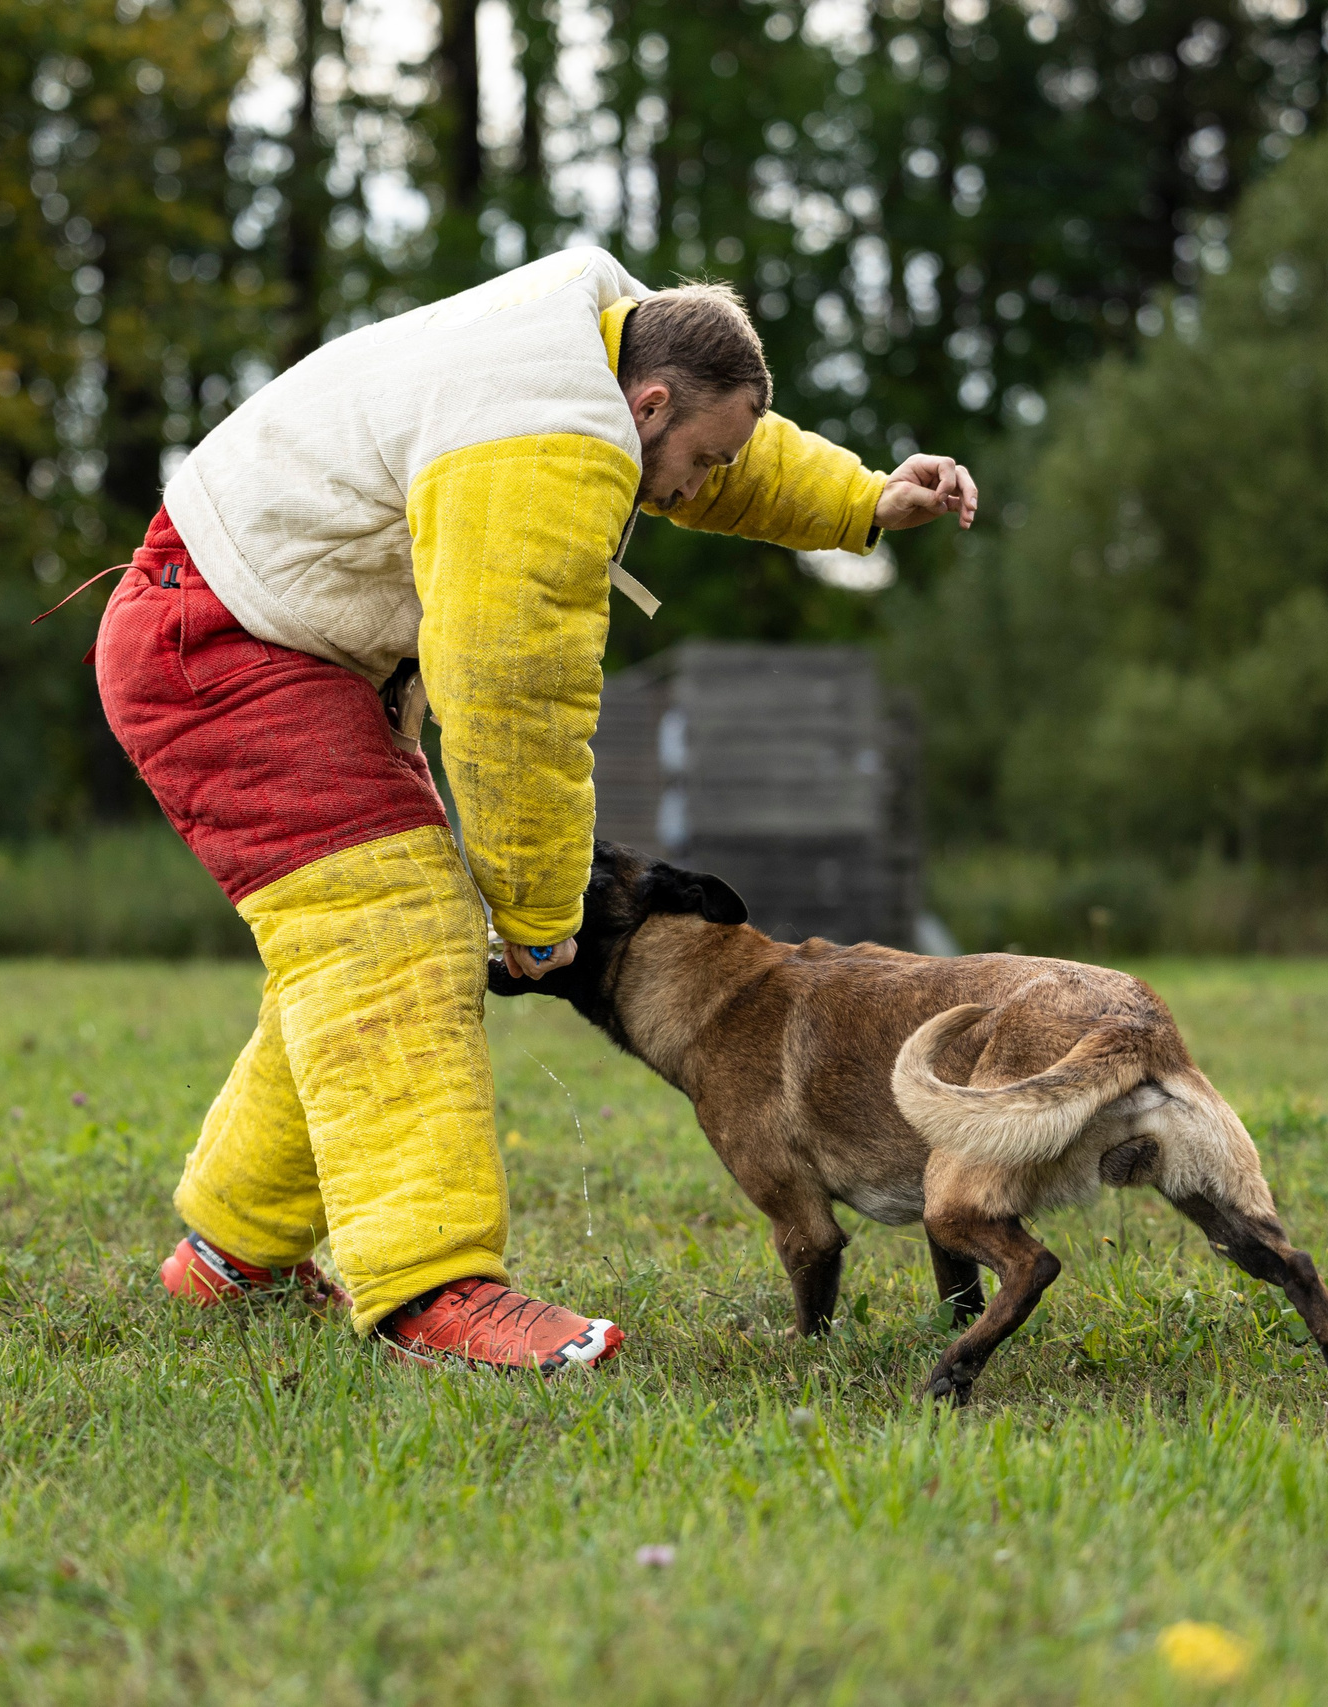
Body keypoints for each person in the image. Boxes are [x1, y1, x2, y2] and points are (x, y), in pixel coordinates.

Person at [93, 248, 976, 1373]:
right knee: (390, 928)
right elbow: (513, 696)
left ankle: (233, 1258)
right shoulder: (546, 445)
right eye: (699, 461)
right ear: (645, 406)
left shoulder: (599, 347)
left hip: (265, 638)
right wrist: (541, 910)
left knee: (364, 950)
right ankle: (429, 1292)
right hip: (216, 651)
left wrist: (861, 497)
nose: (699, 489)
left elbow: (719, 446)